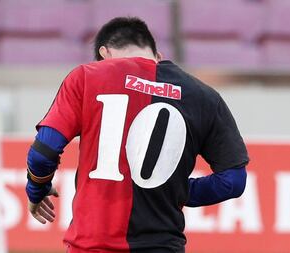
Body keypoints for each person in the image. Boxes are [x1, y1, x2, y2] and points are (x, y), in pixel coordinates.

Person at [26, 17, 249, 253]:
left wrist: (37, 188)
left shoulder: (86, 77)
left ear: (104, 54)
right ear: (157, 56)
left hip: (92, 247)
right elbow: (233, 182)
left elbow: (43, 154)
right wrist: (180, 191)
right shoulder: (204, 97)